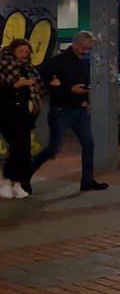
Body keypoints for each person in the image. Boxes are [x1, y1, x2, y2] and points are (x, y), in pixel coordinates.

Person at [30, 30, 107, 193]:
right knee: (53, 149)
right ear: (74, 44)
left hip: (79, 109)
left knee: (88, 144)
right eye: (83, 48)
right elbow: (44, 82)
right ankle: (24, 176)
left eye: (88, 49)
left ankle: (87, 180)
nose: (85, 52)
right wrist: (68, 89)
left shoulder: (83, 62)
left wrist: (86, 97)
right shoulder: (57, 62)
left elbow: (85, 84)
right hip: (61, 110)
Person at [0, 37, 45, 199]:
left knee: (24, 148)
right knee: (15, 147)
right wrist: (15, 86)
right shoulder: (4, 66)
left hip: (23, 111)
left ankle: (17, 182)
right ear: (13, 50)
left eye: (26, 52)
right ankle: (6, 181)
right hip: (7, 110)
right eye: (21, 51)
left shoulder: (28, 68)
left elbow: (38, 87)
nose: (24, 54)